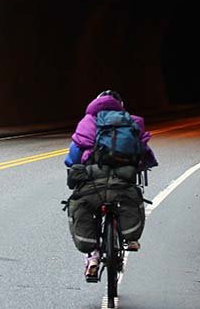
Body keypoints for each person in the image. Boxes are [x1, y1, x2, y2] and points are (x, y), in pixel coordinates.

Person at [64, 90, 158, 281]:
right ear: (120, 105)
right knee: (130, 199)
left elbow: (73, 158)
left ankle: (92, 258)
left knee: (83, 206)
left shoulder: (87, 123)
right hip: (121, 183)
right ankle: (130, 238)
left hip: (92, 185)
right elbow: (144, 154)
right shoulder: (131, 122)